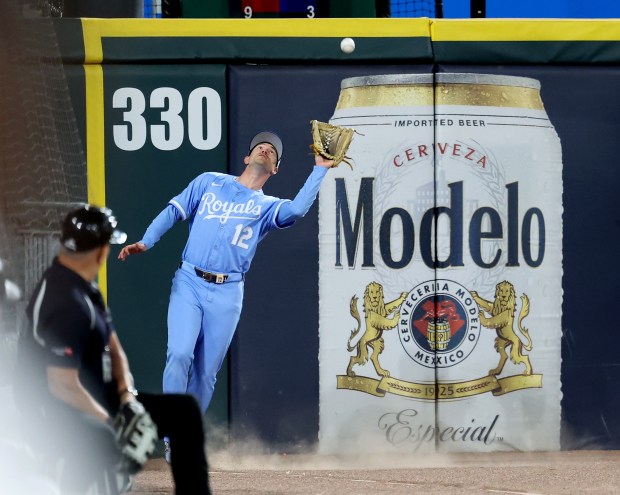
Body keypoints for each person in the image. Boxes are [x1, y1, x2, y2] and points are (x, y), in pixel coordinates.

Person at [118, 131, 333, 455]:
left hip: (228, 292)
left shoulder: (266, 207)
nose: (266, 149)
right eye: (260, 146)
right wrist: (147, 240)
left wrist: (320, 168)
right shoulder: (209, 182)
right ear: (247, 158)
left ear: (274, 170)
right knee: (179, 354)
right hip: (189, 282)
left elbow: (297, 210)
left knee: (206, 374)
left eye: (273, 151)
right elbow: (174, 210)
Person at [14, 205, 211, 495]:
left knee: (182, 411)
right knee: (104, 441)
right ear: (100, 251)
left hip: (95, 396)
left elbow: (114, 350)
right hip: (53, 410)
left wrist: (127, 399)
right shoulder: (63, 301)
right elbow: (62, 385)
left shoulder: (85, 287)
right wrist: (111, 424)